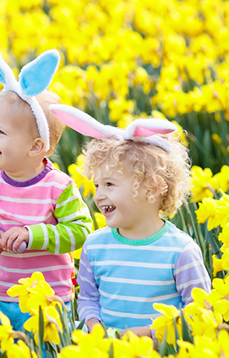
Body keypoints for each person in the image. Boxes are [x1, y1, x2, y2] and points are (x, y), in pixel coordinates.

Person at [0, 25, 93, 330]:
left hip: (47, 299)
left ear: (36, 147)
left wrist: (34, 236)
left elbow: (81, 231)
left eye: (1, 132)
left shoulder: (58, 187)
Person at [49, 104, 211, 338]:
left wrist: (146, 335)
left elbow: (198, 313)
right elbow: (87, 300)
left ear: (153, 188)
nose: (99, 195)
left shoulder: (181, 252)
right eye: (97, 185)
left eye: (110, 185)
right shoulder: (95, 246)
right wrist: (95, 329)